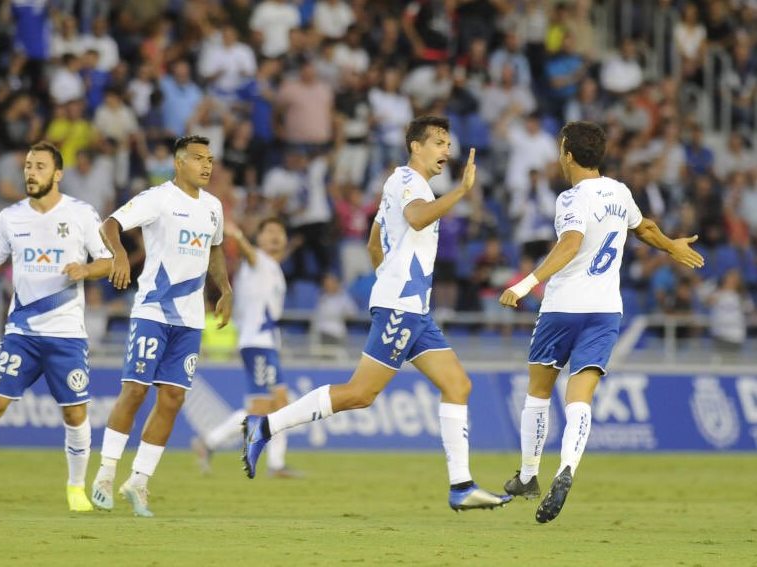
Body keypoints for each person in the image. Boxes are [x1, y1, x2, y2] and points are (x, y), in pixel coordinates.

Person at [241, 116, 512, 511]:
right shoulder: (407, 181)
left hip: (413, 309)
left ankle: (462, 486)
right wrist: (462, 191)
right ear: (414, 146)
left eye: (448, 144)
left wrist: (388, 275)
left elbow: (373, 241)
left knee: (458, 385)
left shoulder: (408, 187)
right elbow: (418, 217)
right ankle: (264, 426)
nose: (446, 151)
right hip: (402, 308)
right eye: (438, 143)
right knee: (359, 394)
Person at [498, 121, 704, 523]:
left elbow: (571, 243)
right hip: (606, 309)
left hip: (563, 307)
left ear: (568, 154)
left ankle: (527, 476)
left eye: (560, 149)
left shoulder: (571, 199)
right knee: (581, 396)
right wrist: (670, 245)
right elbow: (642, 227)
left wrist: (525, 284)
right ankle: (568, 467)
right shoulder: (619, 191)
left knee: (539, 392)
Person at [0, 141, 114, 512]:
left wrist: (86, 269)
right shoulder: (10, 218)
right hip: (22, 334)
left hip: (66, 335)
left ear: (57, 174)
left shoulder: (81, 215)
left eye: (40, 167)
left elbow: (109, 262)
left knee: (75, 414)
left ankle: (76, 488)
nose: (31, 172)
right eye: (28, 166)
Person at [91, 135, 231, 518]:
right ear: (179, 162)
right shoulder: (158, 198)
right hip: (153, 311)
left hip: (189, 320)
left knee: (172, 399)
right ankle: (105, 473)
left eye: (211, 159)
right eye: (199, 158)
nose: (207, 165)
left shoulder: (214, 207)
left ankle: (138, 481)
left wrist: (225, 288)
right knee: (135, 391)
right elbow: (111, 223)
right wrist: (119, 255)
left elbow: (215, 249)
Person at [192, 217, 296, 477]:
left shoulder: (273, 267)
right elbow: (248, 254)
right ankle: (210, 442)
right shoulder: (257, 260)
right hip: (256, 344)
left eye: (280, 231)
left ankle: (275, 464)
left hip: (267, 344)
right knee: (263, 408)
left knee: (279, 404)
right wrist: (238, 236)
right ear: (258, 238)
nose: (275, 235)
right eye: (269, 230)